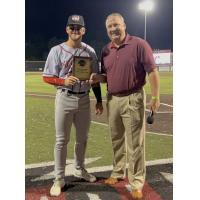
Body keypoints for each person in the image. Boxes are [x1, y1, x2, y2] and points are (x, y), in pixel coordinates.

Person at [90, 13, 160, 199]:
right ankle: (118, 171)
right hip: (112, 99)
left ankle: (136, 181)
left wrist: (155, 96)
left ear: (124, 25)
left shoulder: (139, 44)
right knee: (116, 138)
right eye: (110, 27)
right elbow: (108, 76)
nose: (113, 29)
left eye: (116, 25)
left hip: (133, 97)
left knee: (135, 143)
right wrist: (98, 78)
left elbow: (152, 71)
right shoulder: (106, 50)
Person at [42, 14, 103, 197]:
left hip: (84, 98)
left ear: (84, 30)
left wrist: (99, 100)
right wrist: (62, 80)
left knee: (82, 138)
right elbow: (46, 76)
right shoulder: (56, 50)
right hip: (64, 97)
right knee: (62, 140)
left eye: (79, 28)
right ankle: (59, 178)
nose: (75, 30)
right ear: (67, 29)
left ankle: (79, 169)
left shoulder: (90, 51)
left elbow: (95, 80)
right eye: (72, 27)